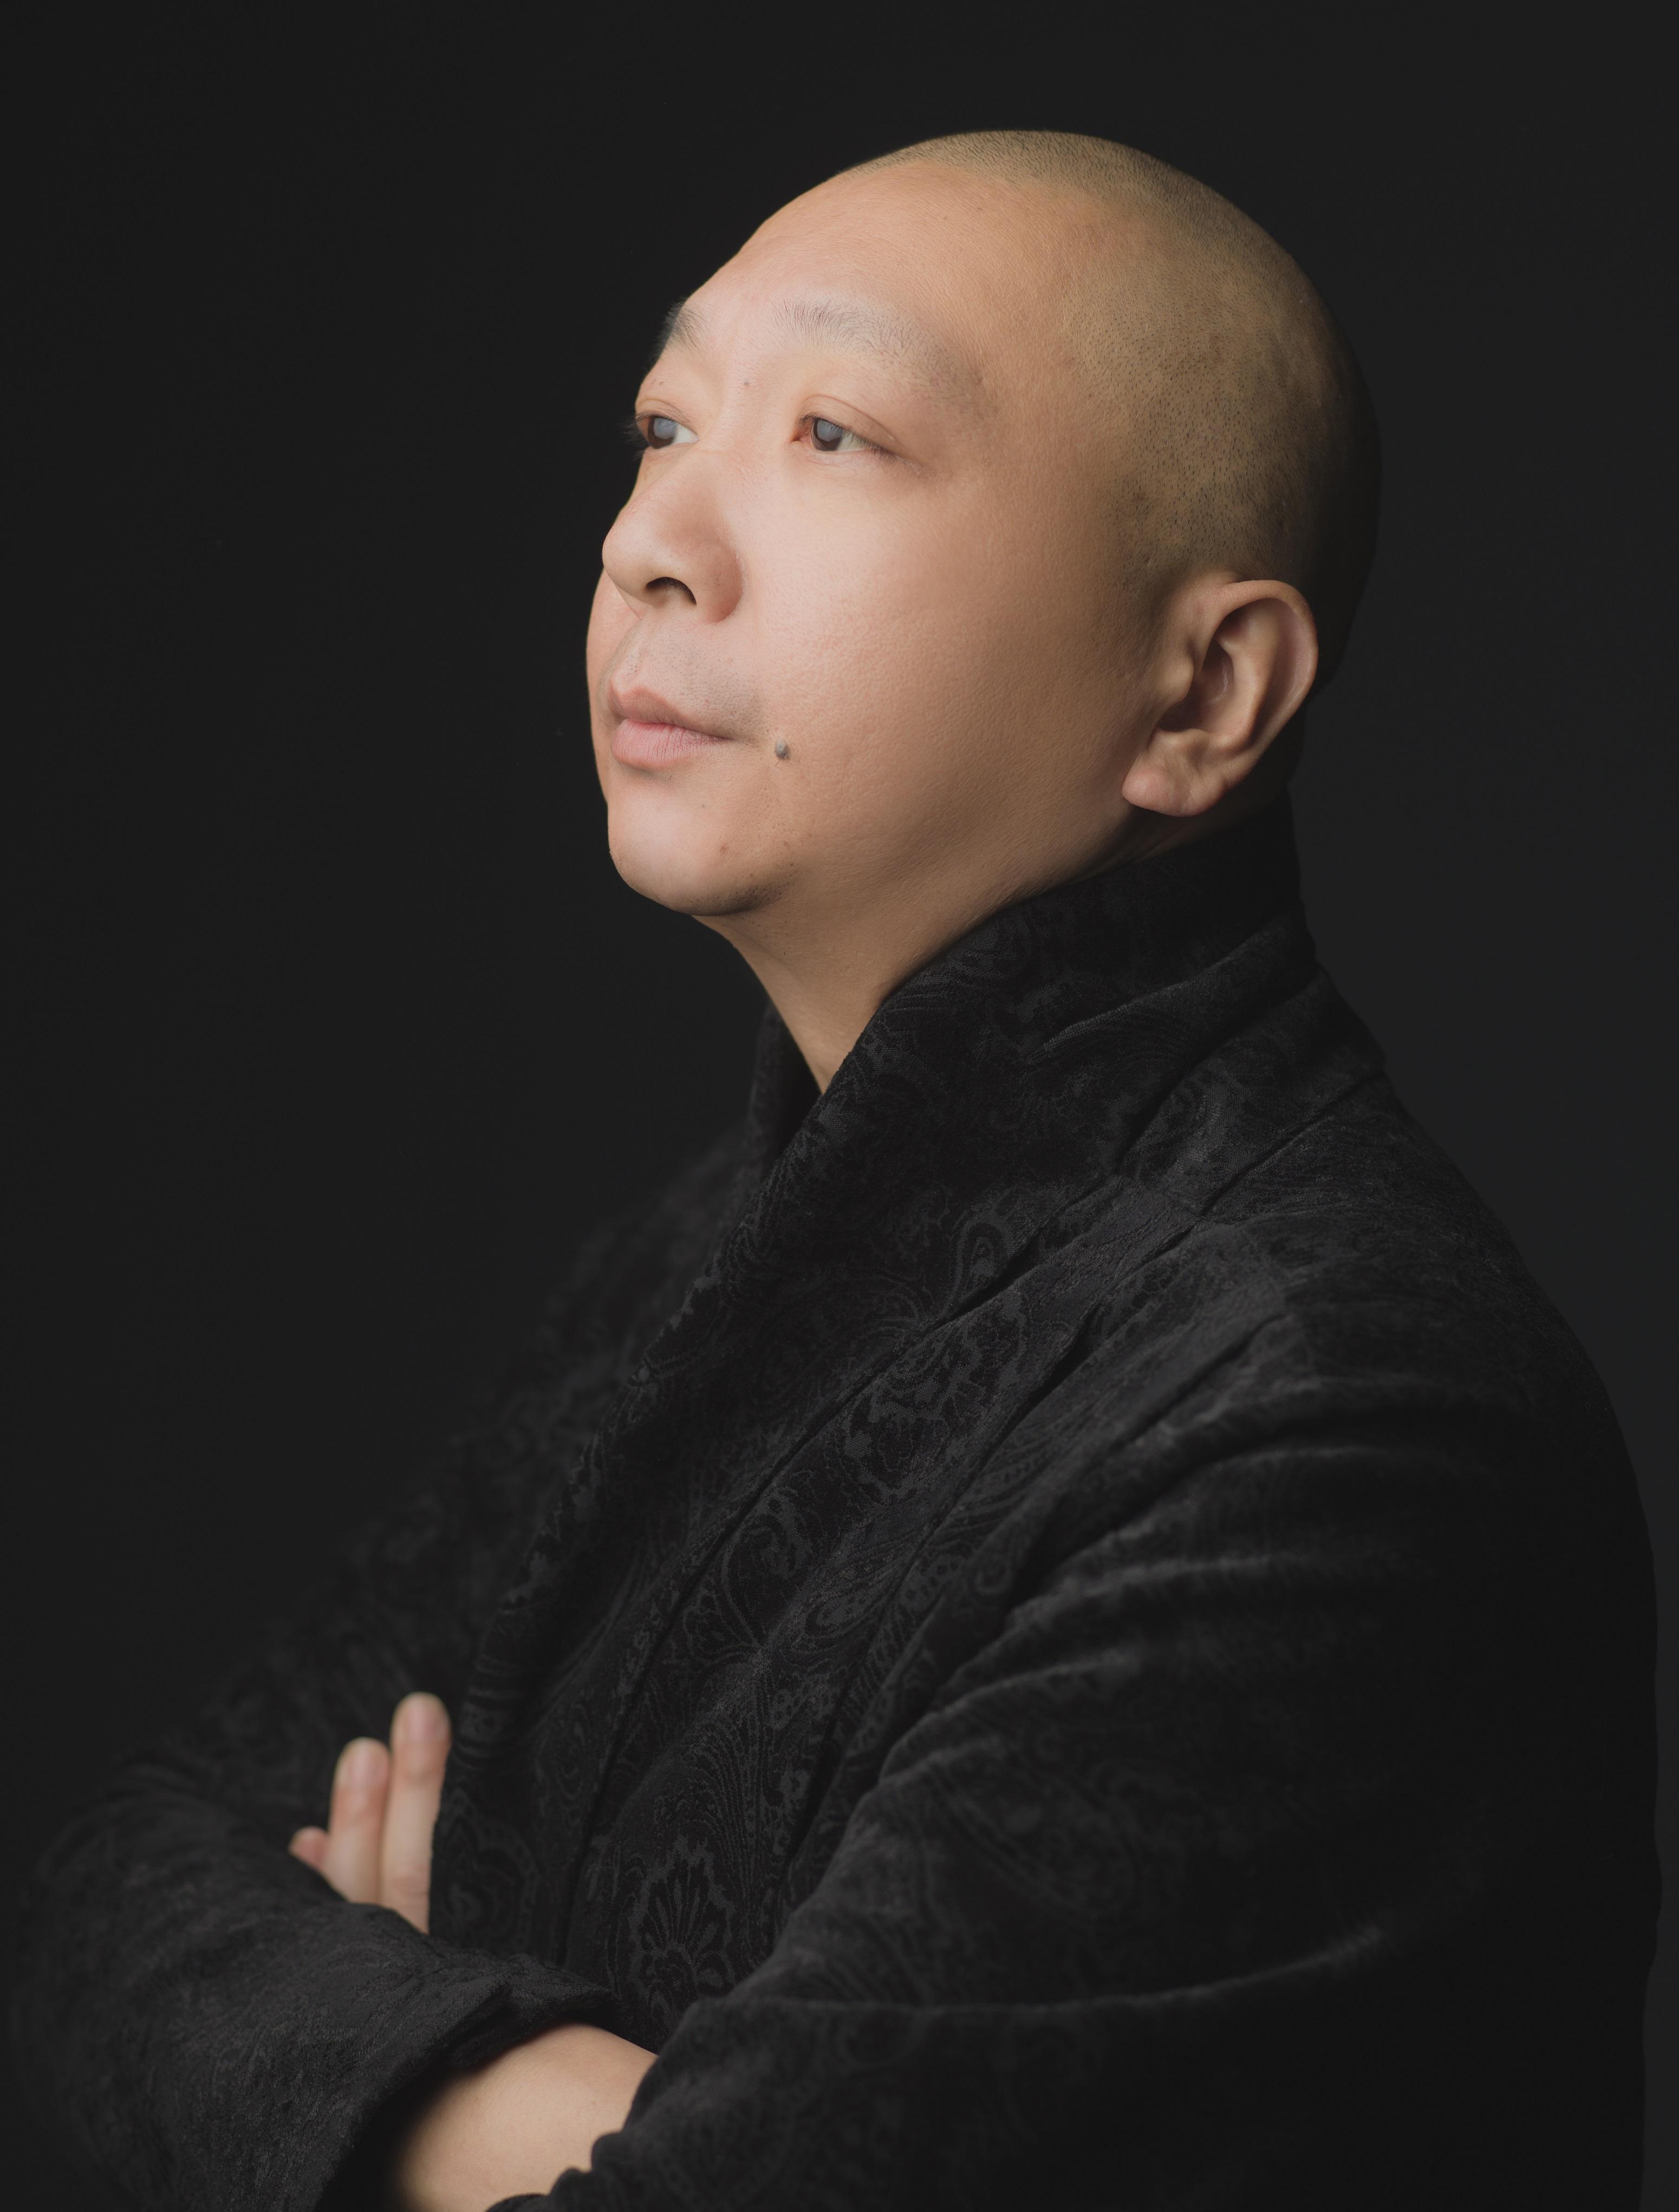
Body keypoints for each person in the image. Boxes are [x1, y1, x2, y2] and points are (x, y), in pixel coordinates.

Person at [13, 131, 1657, 2211]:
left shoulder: (1337, 1418)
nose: (650, 543)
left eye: (831, 434)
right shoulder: (696, 1254)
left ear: (1204, 690)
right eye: (661, 424)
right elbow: (105, 1898)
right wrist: (519, 2088)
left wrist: (383, 2049)